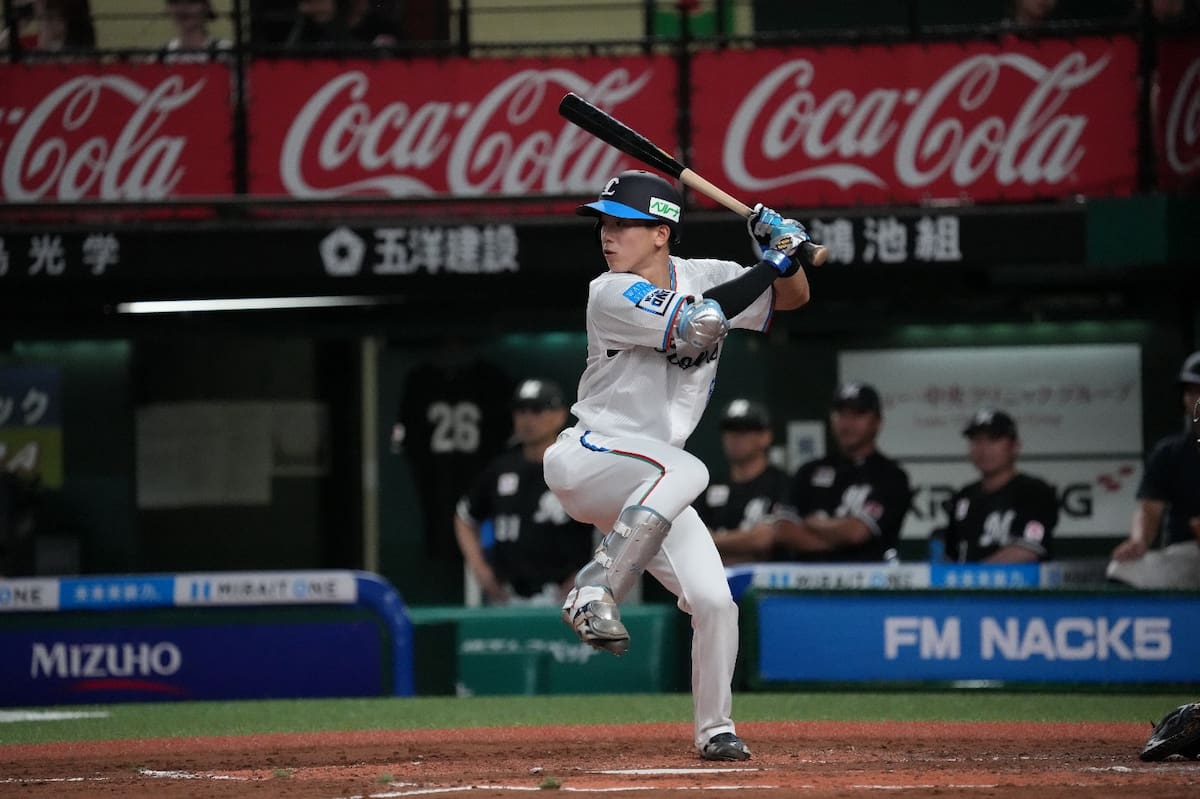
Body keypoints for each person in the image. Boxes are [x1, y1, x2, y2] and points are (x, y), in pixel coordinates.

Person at [542, 169, 814, 762]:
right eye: (605, 224)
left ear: (662, 232)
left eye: (623, 224)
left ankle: (715, 729)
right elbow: (702, 322)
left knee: (714, 601)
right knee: (691, 471)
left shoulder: (707, 274)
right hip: (592, 456)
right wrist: (769, 261)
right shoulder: (609, 290)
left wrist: (786, 259)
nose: (607, 235)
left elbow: (793, 300)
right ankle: (596, 588)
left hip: (649, 487)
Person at [454, 379, 596, 606]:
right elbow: (464, 518)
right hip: (507, 596)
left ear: (559, 415)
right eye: (521, 411)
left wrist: (588, 572)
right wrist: (480, 570)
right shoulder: (501, 469)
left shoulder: (576, 467)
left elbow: (609, 525)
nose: (527, 419)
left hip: (566, 595)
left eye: (537, 410)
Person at [773, 382, 911, 562]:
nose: (847, 423)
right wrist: (837, 541)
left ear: (877, 422)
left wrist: (812, 523)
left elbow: (856, 532)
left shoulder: (891, 476)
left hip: (868, 583)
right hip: (807, 582)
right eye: (841, 414)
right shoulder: (809, 471)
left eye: (858, 414)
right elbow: (783, 530)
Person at [1106, 351, 1200, 589]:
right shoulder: (1171, 452)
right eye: (1192, 392)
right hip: (1189, 554)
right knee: (1124, 568)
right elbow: (1149, 509)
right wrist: (1139, 540)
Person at [935, 408, 1058, 563]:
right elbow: (951, 556)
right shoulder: (965, 496)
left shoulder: (1034, 491)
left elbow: (1027, 551)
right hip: (967, 584)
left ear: (1015, 446)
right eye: (977, 440)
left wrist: (974, 577)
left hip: (1023, 585)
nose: (984, 449)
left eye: (993, 439)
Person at [694, 398, 789, 566]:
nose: (734, 437)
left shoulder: (781, 483)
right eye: (729, 430)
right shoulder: (710, 486)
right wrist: (744, 542)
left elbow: (763, 540)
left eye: (744, 430)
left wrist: (715, 541)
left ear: (765, 436)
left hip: (767, 587)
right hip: (714, 585)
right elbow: (694, 540)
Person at [158, 0, 231, 63]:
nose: (183, 9)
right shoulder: (160, 57)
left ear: (206, 7)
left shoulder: (226, 53)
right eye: (176, 2)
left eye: (191, 1)